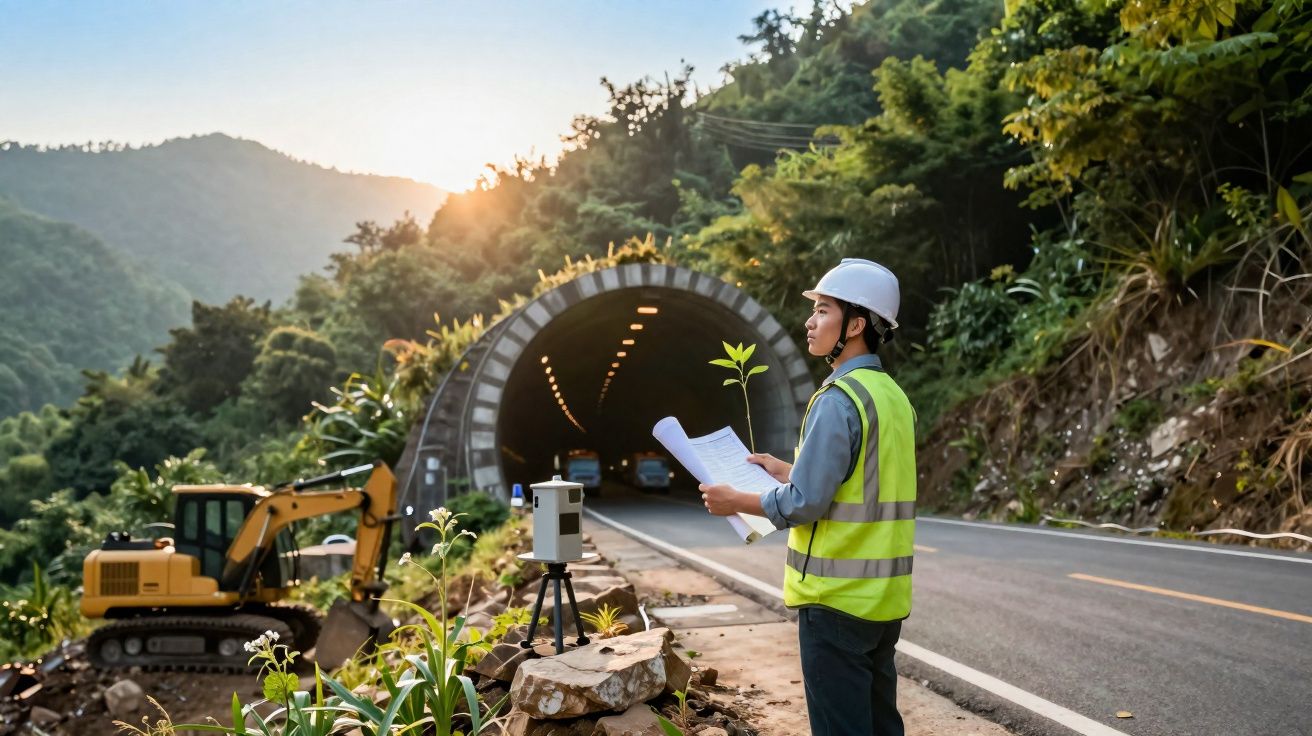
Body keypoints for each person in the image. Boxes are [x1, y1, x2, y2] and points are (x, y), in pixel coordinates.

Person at [700, 258, 916, 736]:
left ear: (856, 324)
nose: (809, 321)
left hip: (834, 601)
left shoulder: (838, 398)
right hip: (883, 603)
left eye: (822, 310)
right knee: (882, 726)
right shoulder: (891, 396)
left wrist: (737, 501)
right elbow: (862, 482)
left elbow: (804, 504)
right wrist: (787, 470)